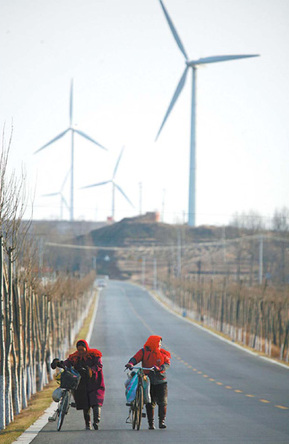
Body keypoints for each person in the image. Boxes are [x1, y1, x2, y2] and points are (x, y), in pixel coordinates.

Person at [51, 339, 105, 430]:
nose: (80, 352)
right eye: (79, 350)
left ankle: (96, 421)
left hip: (95, 382)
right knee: (85, 404)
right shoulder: (75, 357)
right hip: (81, 383)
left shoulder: (94, 355)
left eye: (82, 350)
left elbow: (99, 365)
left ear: (86, 348)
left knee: (95, 401)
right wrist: (59, 364)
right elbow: (67, 363)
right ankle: (87, 425)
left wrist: (91, 370)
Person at [125, 335, 171, 430]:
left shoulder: (162, 353)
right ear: (153, 343)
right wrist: (131, 363)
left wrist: (159, 368)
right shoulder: (143, 352)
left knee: (162, 402)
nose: (160, 345)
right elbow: (135, 358)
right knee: (149, 402)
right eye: (159, 343)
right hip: (147, 379)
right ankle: (151, 423)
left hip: (160, 380)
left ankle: (161, 421)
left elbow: (166, 364)